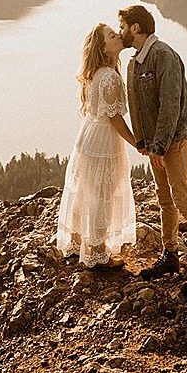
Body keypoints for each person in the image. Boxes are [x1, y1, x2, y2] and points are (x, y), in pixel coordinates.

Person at [118, 5, 187, 297]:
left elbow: (171, 104)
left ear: (136, 27)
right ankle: (171, 255)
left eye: (123, 26)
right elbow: (137, 107)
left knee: (184, 198)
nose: (121, 32)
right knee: (165, 200)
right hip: (156, 146)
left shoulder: (163, 55)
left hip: (175, 141)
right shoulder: (134, 62)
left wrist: (160, 147)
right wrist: (143, 143)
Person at [56, 23, 139, 268]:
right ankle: (96, 253)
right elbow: (114, 117)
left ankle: (78, 239)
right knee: (104, 193)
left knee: (87, 190)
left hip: (88, 135)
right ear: (104, 48)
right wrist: (137, 143)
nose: (118, 36)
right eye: (112, 36)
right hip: (103, 140)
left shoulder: (98, 72)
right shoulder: (110, 77)